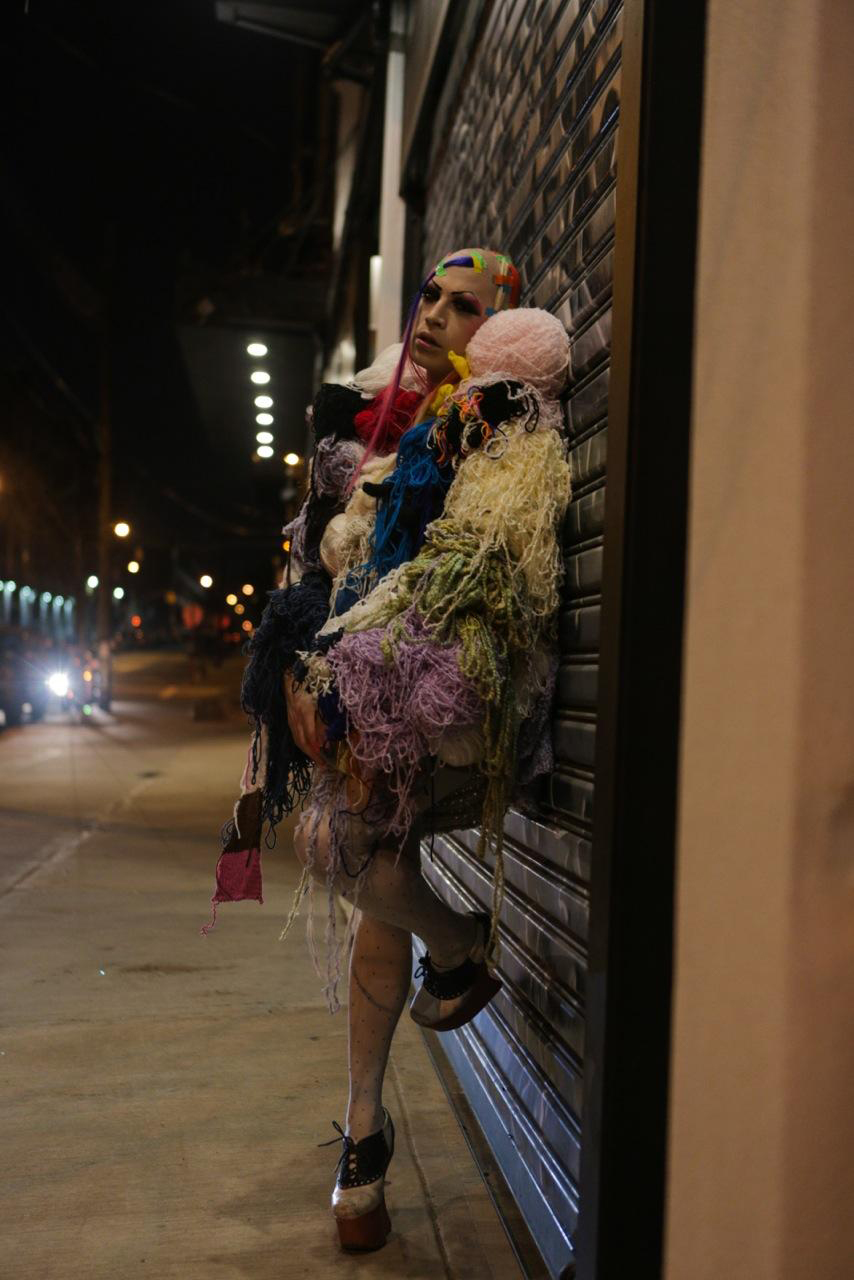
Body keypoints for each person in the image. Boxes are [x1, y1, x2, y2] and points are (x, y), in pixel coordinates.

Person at [205, 248, 572, 1251]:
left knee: (354, 852)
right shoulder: (363, 430)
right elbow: (316, 560)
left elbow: (484, 559)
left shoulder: (487, 420)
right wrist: (297, 671)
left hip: (428, 677)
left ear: (492, 328)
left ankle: (413, 1030)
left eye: (463, 307)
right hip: (353, 671)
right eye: (430, 297)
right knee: (363, 858)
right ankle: (366, 1114)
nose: (435, 317)